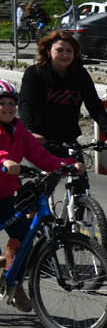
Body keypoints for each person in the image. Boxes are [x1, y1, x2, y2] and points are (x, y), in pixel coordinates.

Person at [0, 80, 77, 313]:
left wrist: (66, 165)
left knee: (24, 234)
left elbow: (39, 154)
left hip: (4, 196)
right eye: (1, 103)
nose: (7, 107)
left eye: (11, 103)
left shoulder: (19, 129)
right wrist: (4, 161)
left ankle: (13, 284)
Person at [18, 31, 107, 156]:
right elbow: (25, 104)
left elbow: (94, 106)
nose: (65, 55)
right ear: (48, 51)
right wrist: (29, 131)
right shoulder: (35, 73)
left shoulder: (80, 74)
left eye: (69, 51)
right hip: (40, 140)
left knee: (78, 172)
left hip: (69, 141)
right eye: (59, 50)